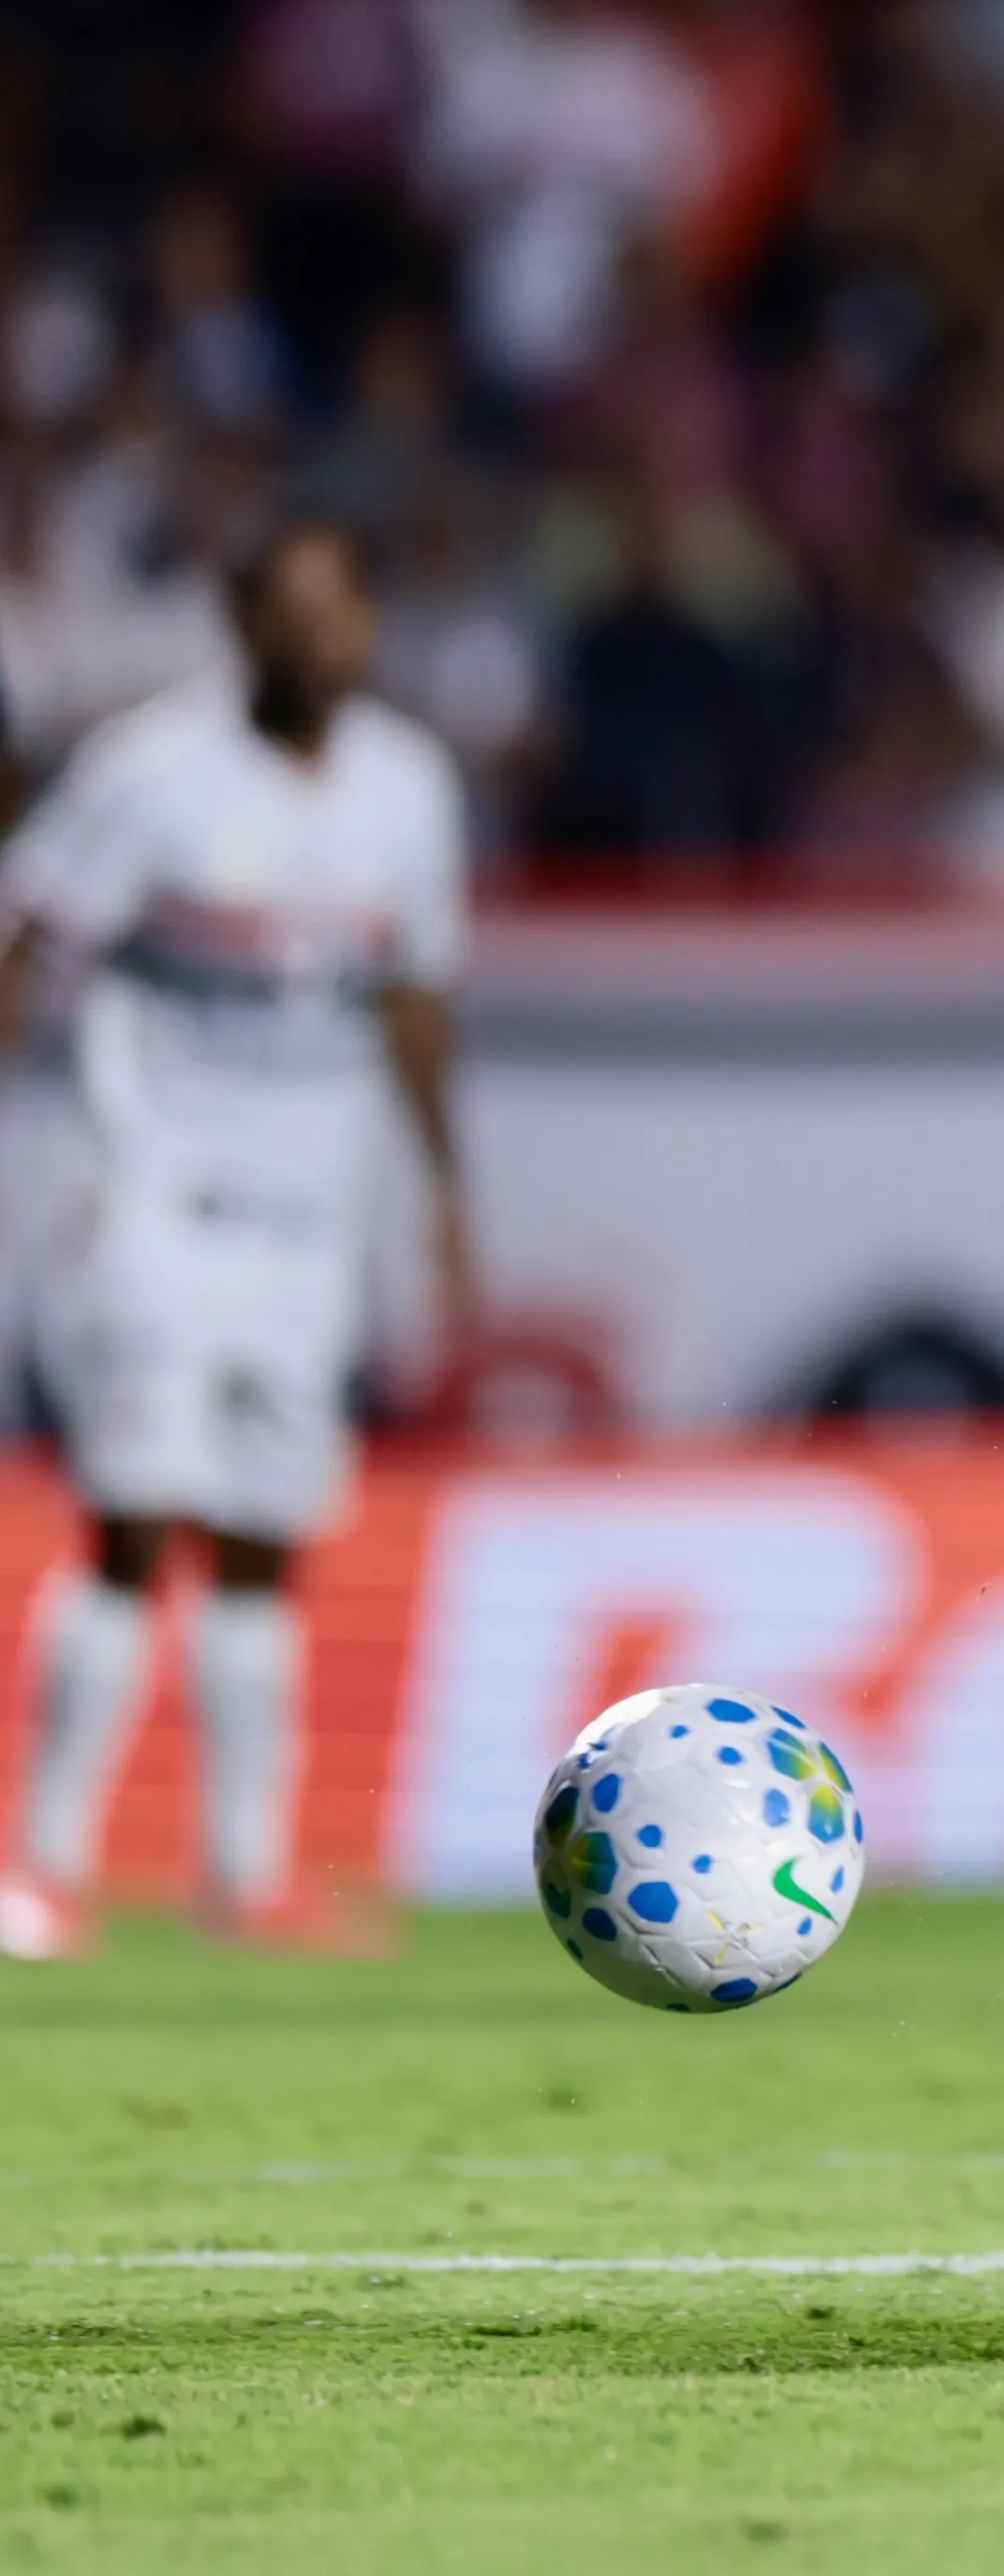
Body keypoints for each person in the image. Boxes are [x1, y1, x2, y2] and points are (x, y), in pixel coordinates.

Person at [0, 517, 475, 1960]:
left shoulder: (408, 785)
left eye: (346, 611)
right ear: (244, 621)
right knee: (135, 1522)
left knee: (268, 1537)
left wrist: (448, 1190)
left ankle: (243, 1870)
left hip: (314, 1220)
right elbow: (31, 945)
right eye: (295, 612)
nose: (324, 639)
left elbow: (413, 996)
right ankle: (43, 1863)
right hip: (156, 1198)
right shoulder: (149, 772)